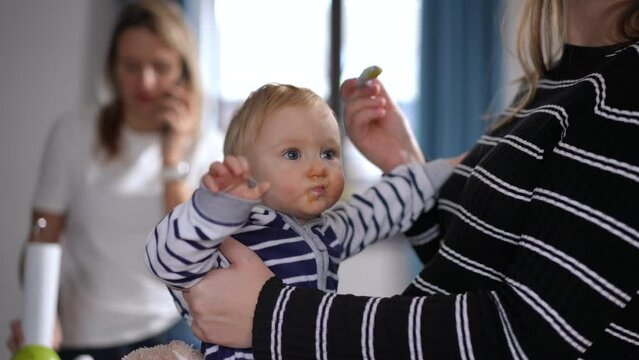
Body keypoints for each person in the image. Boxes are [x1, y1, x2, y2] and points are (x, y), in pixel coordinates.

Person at [177, 0, 639, 358]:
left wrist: (273, 316)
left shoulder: (625, 88)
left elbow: (525, 337)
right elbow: (474, 270)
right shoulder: (552, 83)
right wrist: (407, 168)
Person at [145, 83, 458, 359]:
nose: (318, 168)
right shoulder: (229, 239)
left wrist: (452, 167)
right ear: (247, 172)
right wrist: (216, 209)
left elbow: (389, 203)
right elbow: (164, 259)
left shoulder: (330, 232)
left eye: (328, 153)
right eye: (293, 154)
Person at [6, 1, 224, 359]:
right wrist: (40, 313)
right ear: (111, 68)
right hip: (84, 333)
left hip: (170, 331)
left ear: (184, 71)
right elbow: (42, 235)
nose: (146, 81)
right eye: (131, 66)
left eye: (161, 66)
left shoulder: (207, 146)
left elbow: (190, 253)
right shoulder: (73, 134)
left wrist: (172, 159)